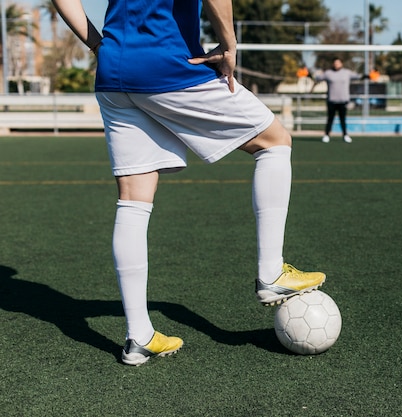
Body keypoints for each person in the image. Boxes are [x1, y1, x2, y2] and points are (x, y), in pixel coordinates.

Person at [52, 0, 326, 366]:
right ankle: (271, 271)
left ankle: (139, 337)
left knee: (134, 197)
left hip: (114, 71)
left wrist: (98, 45)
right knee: (274, 142)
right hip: (168, 64)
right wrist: (228, 44)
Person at [314, 58, 363, 143]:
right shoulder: (328, 73)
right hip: (331, 100)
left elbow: (359, 76)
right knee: (330, 119)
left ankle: (345, 135)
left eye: (338, 63)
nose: (337, 65)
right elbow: (317, 78)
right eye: (335, 63)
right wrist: (307, 73)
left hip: (343, 101)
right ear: (333, 64)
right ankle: (326, 135)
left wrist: (369, 74)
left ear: (341, 64)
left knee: (343, 119)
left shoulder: (347, 73)